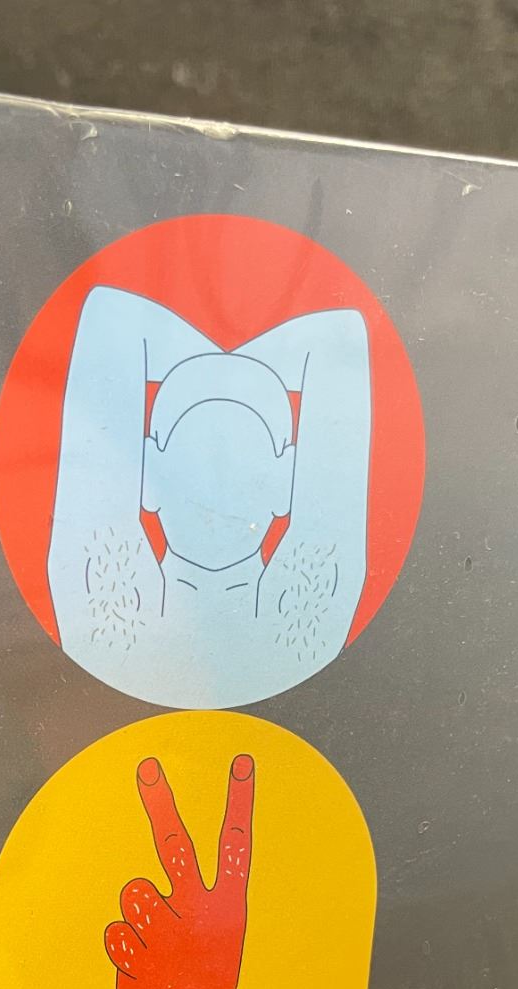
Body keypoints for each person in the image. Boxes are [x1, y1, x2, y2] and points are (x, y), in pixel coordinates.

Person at [47, 285, 371, 707]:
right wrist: (233, 365)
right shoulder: (104, 603)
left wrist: (217, 365)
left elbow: (338, 336)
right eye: (192, 457)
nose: (218, 485)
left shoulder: (305, 618)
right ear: (148, 478)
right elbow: (109, 317)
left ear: (283, 485)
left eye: (246, 463)